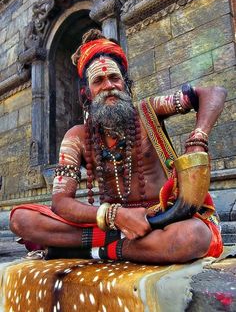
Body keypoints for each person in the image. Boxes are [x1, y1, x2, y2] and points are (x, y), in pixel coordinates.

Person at [10, 29, 227, 263]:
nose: (108, 86)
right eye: (99, 81)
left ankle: (91, 251)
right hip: (111, 223)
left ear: (126, 84)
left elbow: (213, 92)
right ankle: (123, 243)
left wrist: (197, 138)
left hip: (165, 219)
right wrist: (116, 216)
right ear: (87, 93)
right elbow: (61, 202)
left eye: (115, 78)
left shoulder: (149, 111)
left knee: (192, 237)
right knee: (21, 219)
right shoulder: (77, 137)